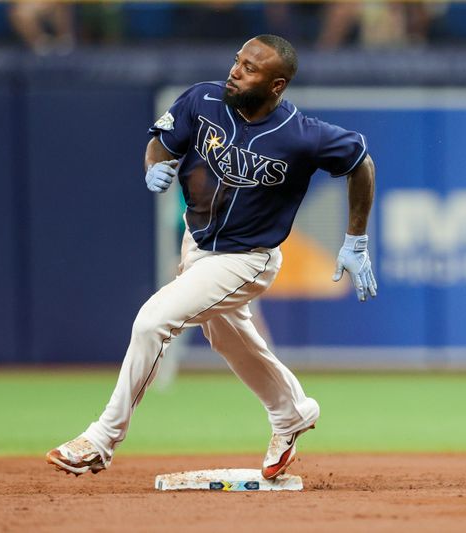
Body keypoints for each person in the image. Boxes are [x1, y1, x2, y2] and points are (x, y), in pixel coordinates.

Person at [46, 34, 377, 480]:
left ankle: (101, 439)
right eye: (237, 61)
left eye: (250, 68)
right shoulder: (202, 99)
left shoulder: (301, 134)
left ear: (277, 85)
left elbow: (360, 161)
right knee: (227, 337)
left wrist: (355, 239)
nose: (236, 71)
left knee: (152, 320)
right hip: (197, 245)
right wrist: (154, 164)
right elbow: (162, 139)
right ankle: (293, 412)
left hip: (248, 258)